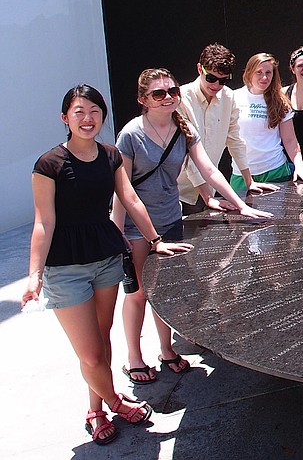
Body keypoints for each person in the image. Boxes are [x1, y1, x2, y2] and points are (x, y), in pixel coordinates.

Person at [22, 85, 190, 445]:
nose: (88, 119)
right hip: (65, 267)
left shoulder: (110, 154)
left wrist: (156, 240)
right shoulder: (49, 163)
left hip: (104, 257)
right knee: (91, 353)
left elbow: (129, 198)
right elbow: (43, 222)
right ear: (65, 117)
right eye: (79, 111)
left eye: (95, 111)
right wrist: (35, 275)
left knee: (102, 340)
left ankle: (96, 409)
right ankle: (116, 401)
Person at [113, 69, 272, 387]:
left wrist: (241, 206)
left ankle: (166, 350)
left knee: (163, 291)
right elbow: (124, 191)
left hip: (170, 218)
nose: (168, 97)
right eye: (159, 94)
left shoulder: (182, 129)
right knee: (139, 294)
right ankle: (134, 357)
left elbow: (209, 170)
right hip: (135, 226)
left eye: (172, 91)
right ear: (143, 99)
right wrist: (118, 233)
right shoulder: (131, 135)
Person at [177, 43, 275, 215]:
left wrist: (249, 181)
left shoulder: (228, 97)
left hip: (211, 189)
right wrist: (207, 197)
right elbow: (188, 155)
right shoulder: (180, 99)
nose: (216, 85)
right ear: (200, 69)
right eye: (211, 78)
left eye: (223, 80)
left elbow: (235, 140)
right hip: (179, 192)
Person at [231, 54, 303, 191]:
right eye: (259, 72)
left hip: (275, 171)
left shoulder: (280, 101)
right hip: (241, 173)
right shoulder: (233, 97)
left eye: (268, 72)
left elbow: (290, 140)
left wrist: (299, 166)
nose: (264, 77)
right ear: (249, 72)